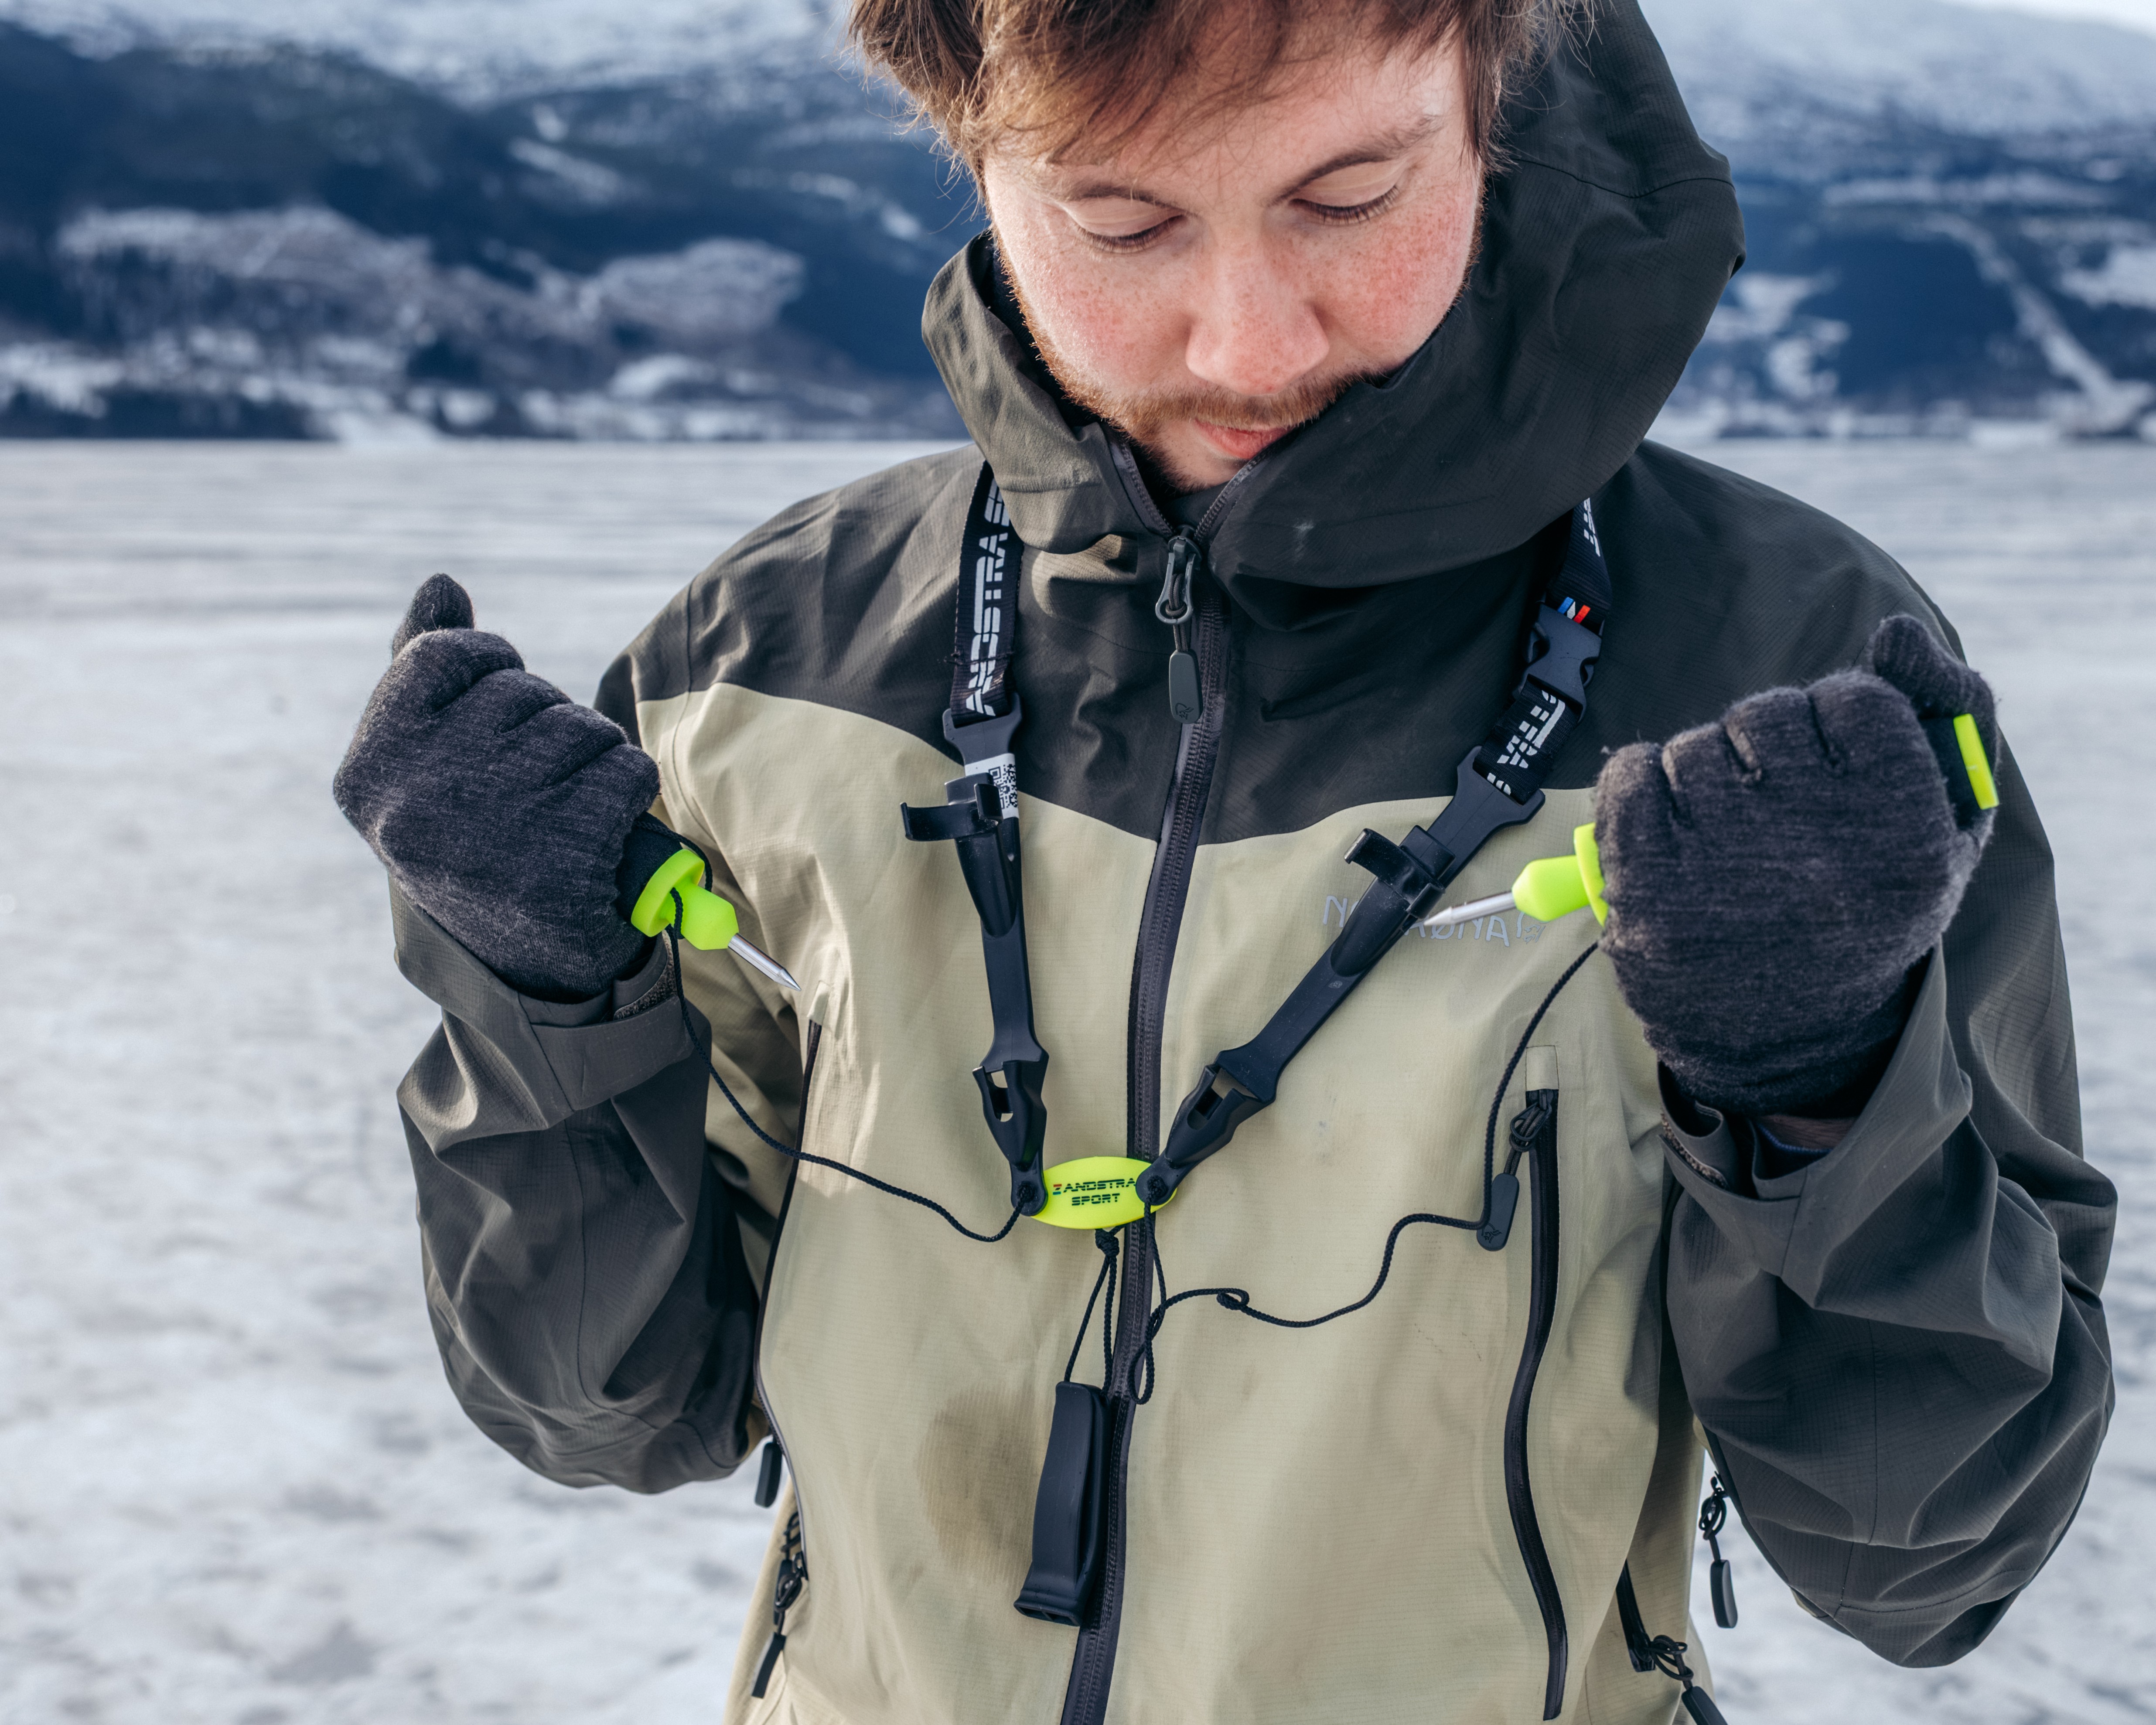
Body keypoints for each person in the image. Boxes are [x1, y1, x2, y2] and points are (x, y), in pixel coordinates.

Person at [333, 1, 2116, 1720]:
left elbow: (1934, 1550)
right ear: (970, 160)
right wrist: (547, 996)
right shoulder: (761, 664)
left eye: (1351, 196)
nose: (1250, 344)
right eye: (1121, 217)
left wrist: (1811, 1092)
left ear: (1498, 98)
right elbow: (598, 1405)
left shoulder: (1792, 672)